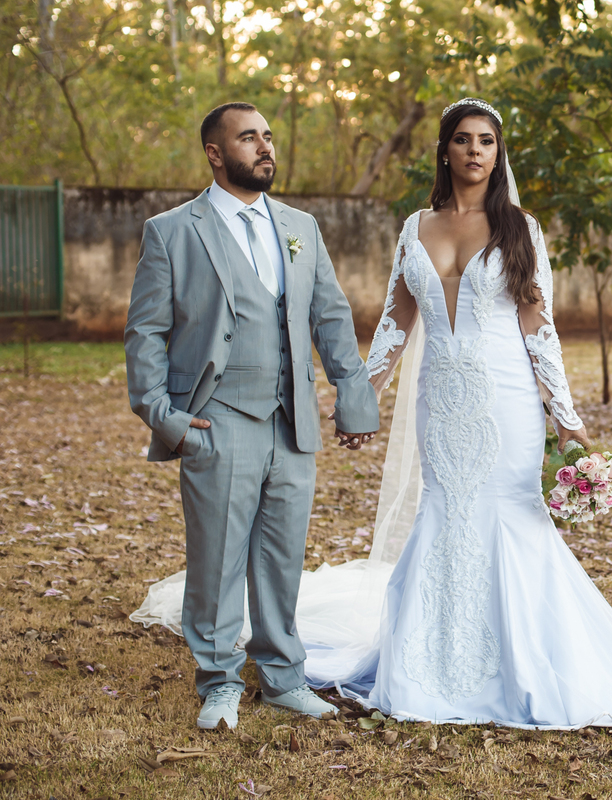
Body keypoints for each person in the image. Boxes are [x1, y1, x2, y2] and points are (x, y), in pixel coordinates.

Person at [306, 97, 612, 727]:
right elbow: (398, 319)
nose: (475, 150)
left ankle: (525, 662)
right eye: (463, 139)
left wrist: (567, 418)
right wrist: (359, 394)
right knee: (447, 511)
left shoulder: (519, 229)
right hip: (440, 397)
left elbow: (539, 327)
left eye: (486, 140)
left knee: (510, 518)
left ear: (497, 152)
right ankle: (433, 660)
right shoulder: (414, 228)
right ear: (445, 151)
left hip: (506, 400)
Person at [124, 102, 379, 730]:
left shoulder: (300, 226)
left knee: (281, 554)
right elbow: (146, 332)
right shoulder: (174, 231)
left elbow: (330, 315)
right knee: (216, 558)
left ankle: (283, 679)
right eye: (248, 138)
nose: (265, 147)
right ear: (216, 153)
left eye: (267, 136)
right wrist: (165, 416)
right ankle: (218, 680)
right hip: (217, 418)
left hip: (291, 418)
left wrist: (354, 395)